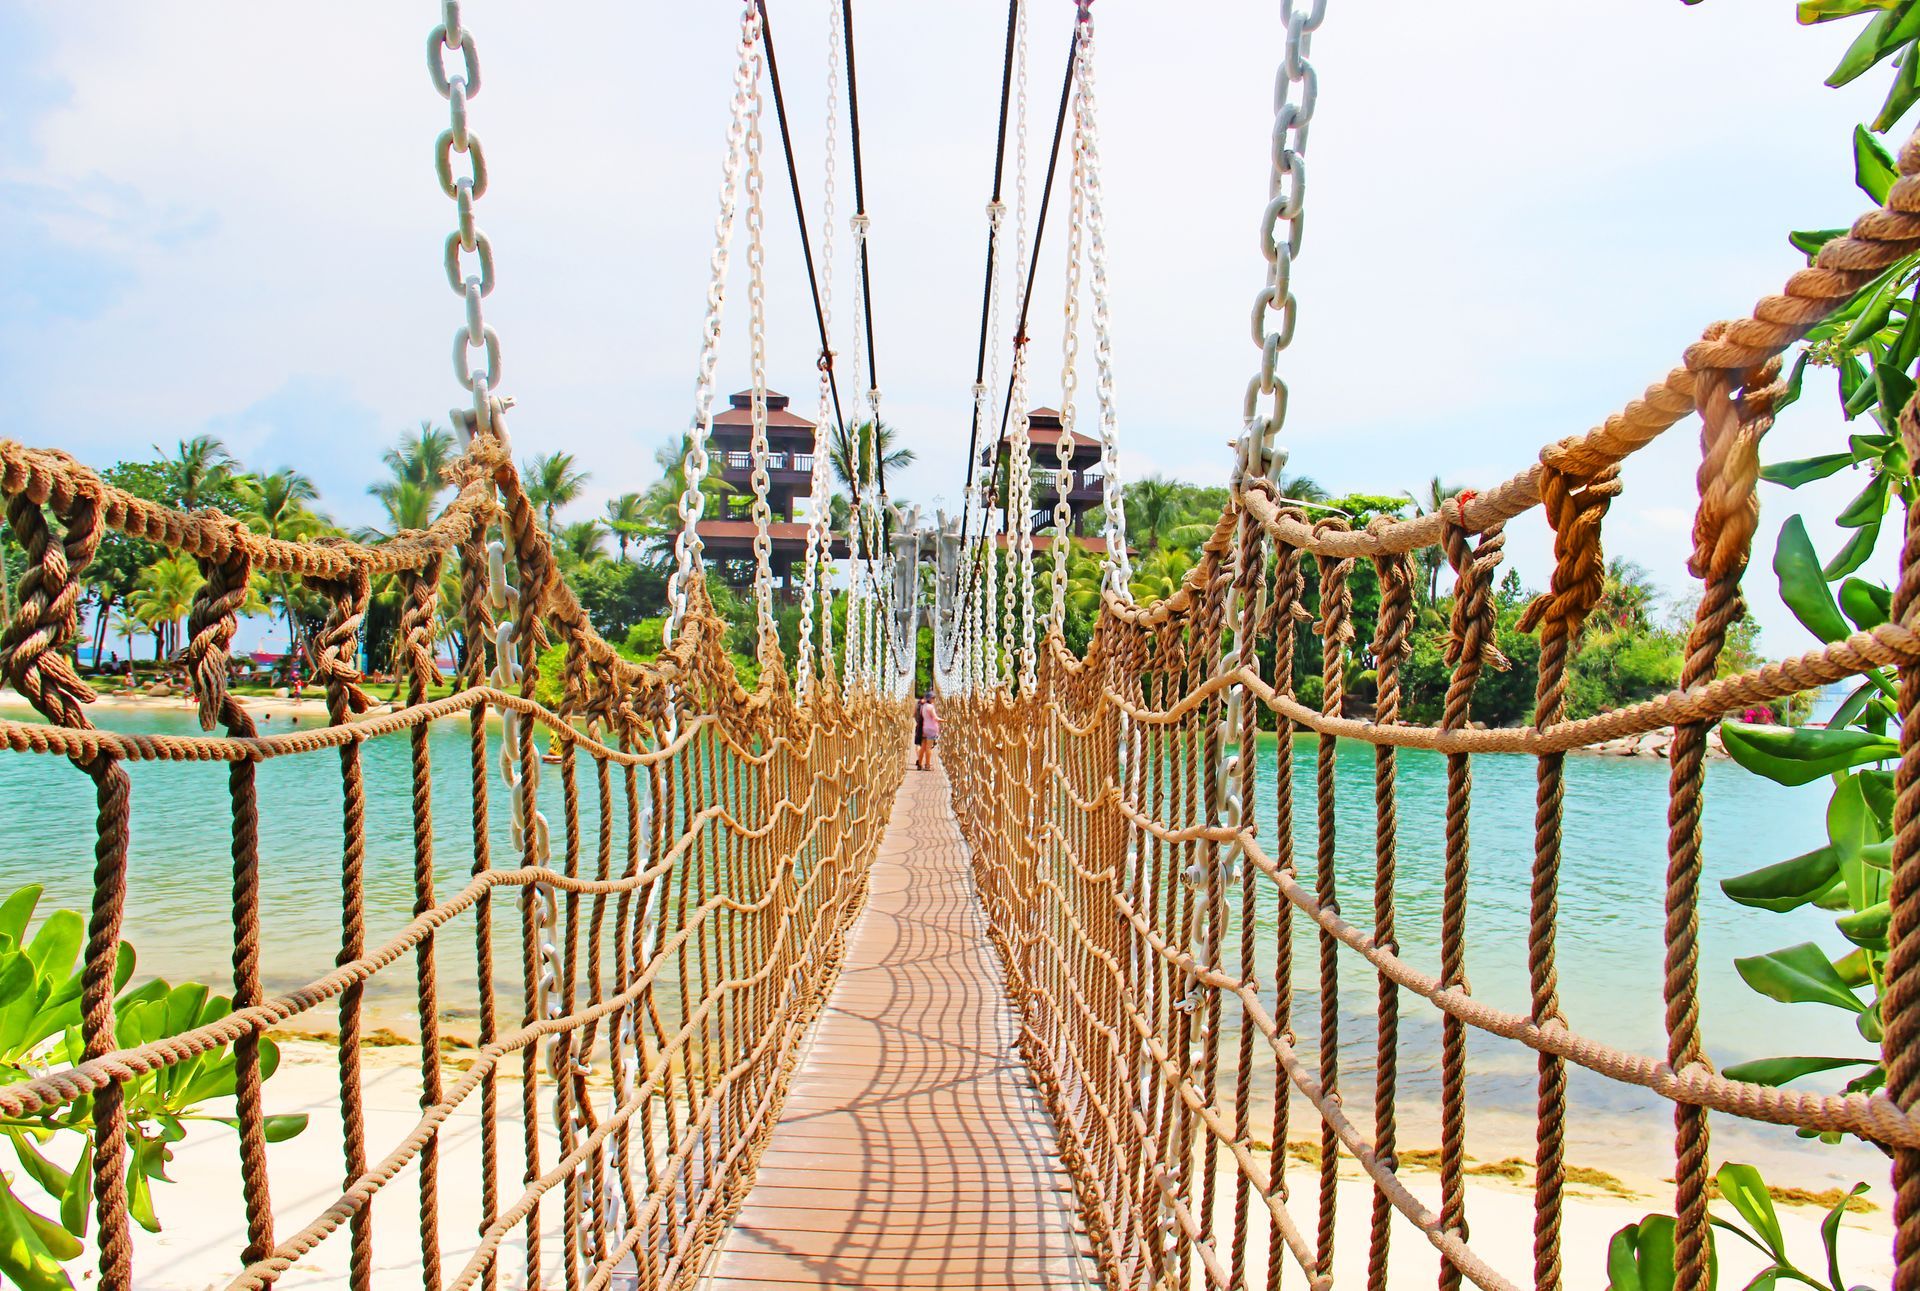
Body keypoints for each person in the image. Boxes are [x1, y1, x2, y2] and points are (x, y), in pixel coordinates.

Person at [915, 693, 940, 771]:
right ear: (930, 699)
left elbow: (915, 714)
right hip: (930, 729)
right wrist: (944, 720)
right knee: (929, 748)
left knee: (922, 747)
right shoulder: (930, 707)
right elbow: (935, 718)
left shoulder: (922, 706)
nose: (934, 699)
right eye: (933, 698)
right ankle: (927, 765)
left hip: (922, 728)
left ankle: (919, 763)